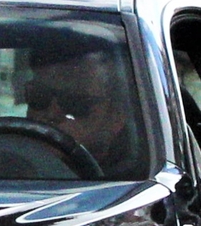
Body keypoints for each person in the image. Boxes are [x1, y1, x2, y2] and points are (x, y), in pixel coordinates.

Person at [20, 45, 141, 177]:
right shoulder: (1, 162)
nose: (51, 114)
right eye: (39, 96)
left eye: (74, 101)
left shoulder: (133, 180)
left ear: (116, 116)